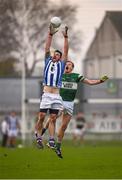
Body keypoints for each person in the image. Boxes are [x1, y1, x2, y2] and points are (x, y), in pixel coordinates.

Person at [41, 60, 108, 158]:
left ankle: (58, 147)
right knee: (54, 117)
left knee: (63, 127)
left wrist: (100, 81)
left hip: (70, 104)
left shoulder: (76, 76)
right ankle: (43, 132)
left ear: (72, 67)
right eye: (66, 64)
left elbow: (89, 82)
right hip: (60, 100)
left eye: (69, 64)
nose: (67, 65)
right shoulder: (59, 75)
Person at [35, 24, 69, 149]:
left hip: (56, 95)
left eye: (58, 55)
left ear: (60, 58)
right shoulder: (47, 61)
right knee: (42, 117)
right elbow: (46, 47)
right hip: (46, 93)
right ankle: (38, 137)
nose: (56, 55)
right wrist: (50, 34)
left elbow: (66, 51)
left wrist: (66, 37)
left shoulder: (61, 65)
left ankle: (51, 140)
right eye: (55, 54)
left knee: (53, 118)